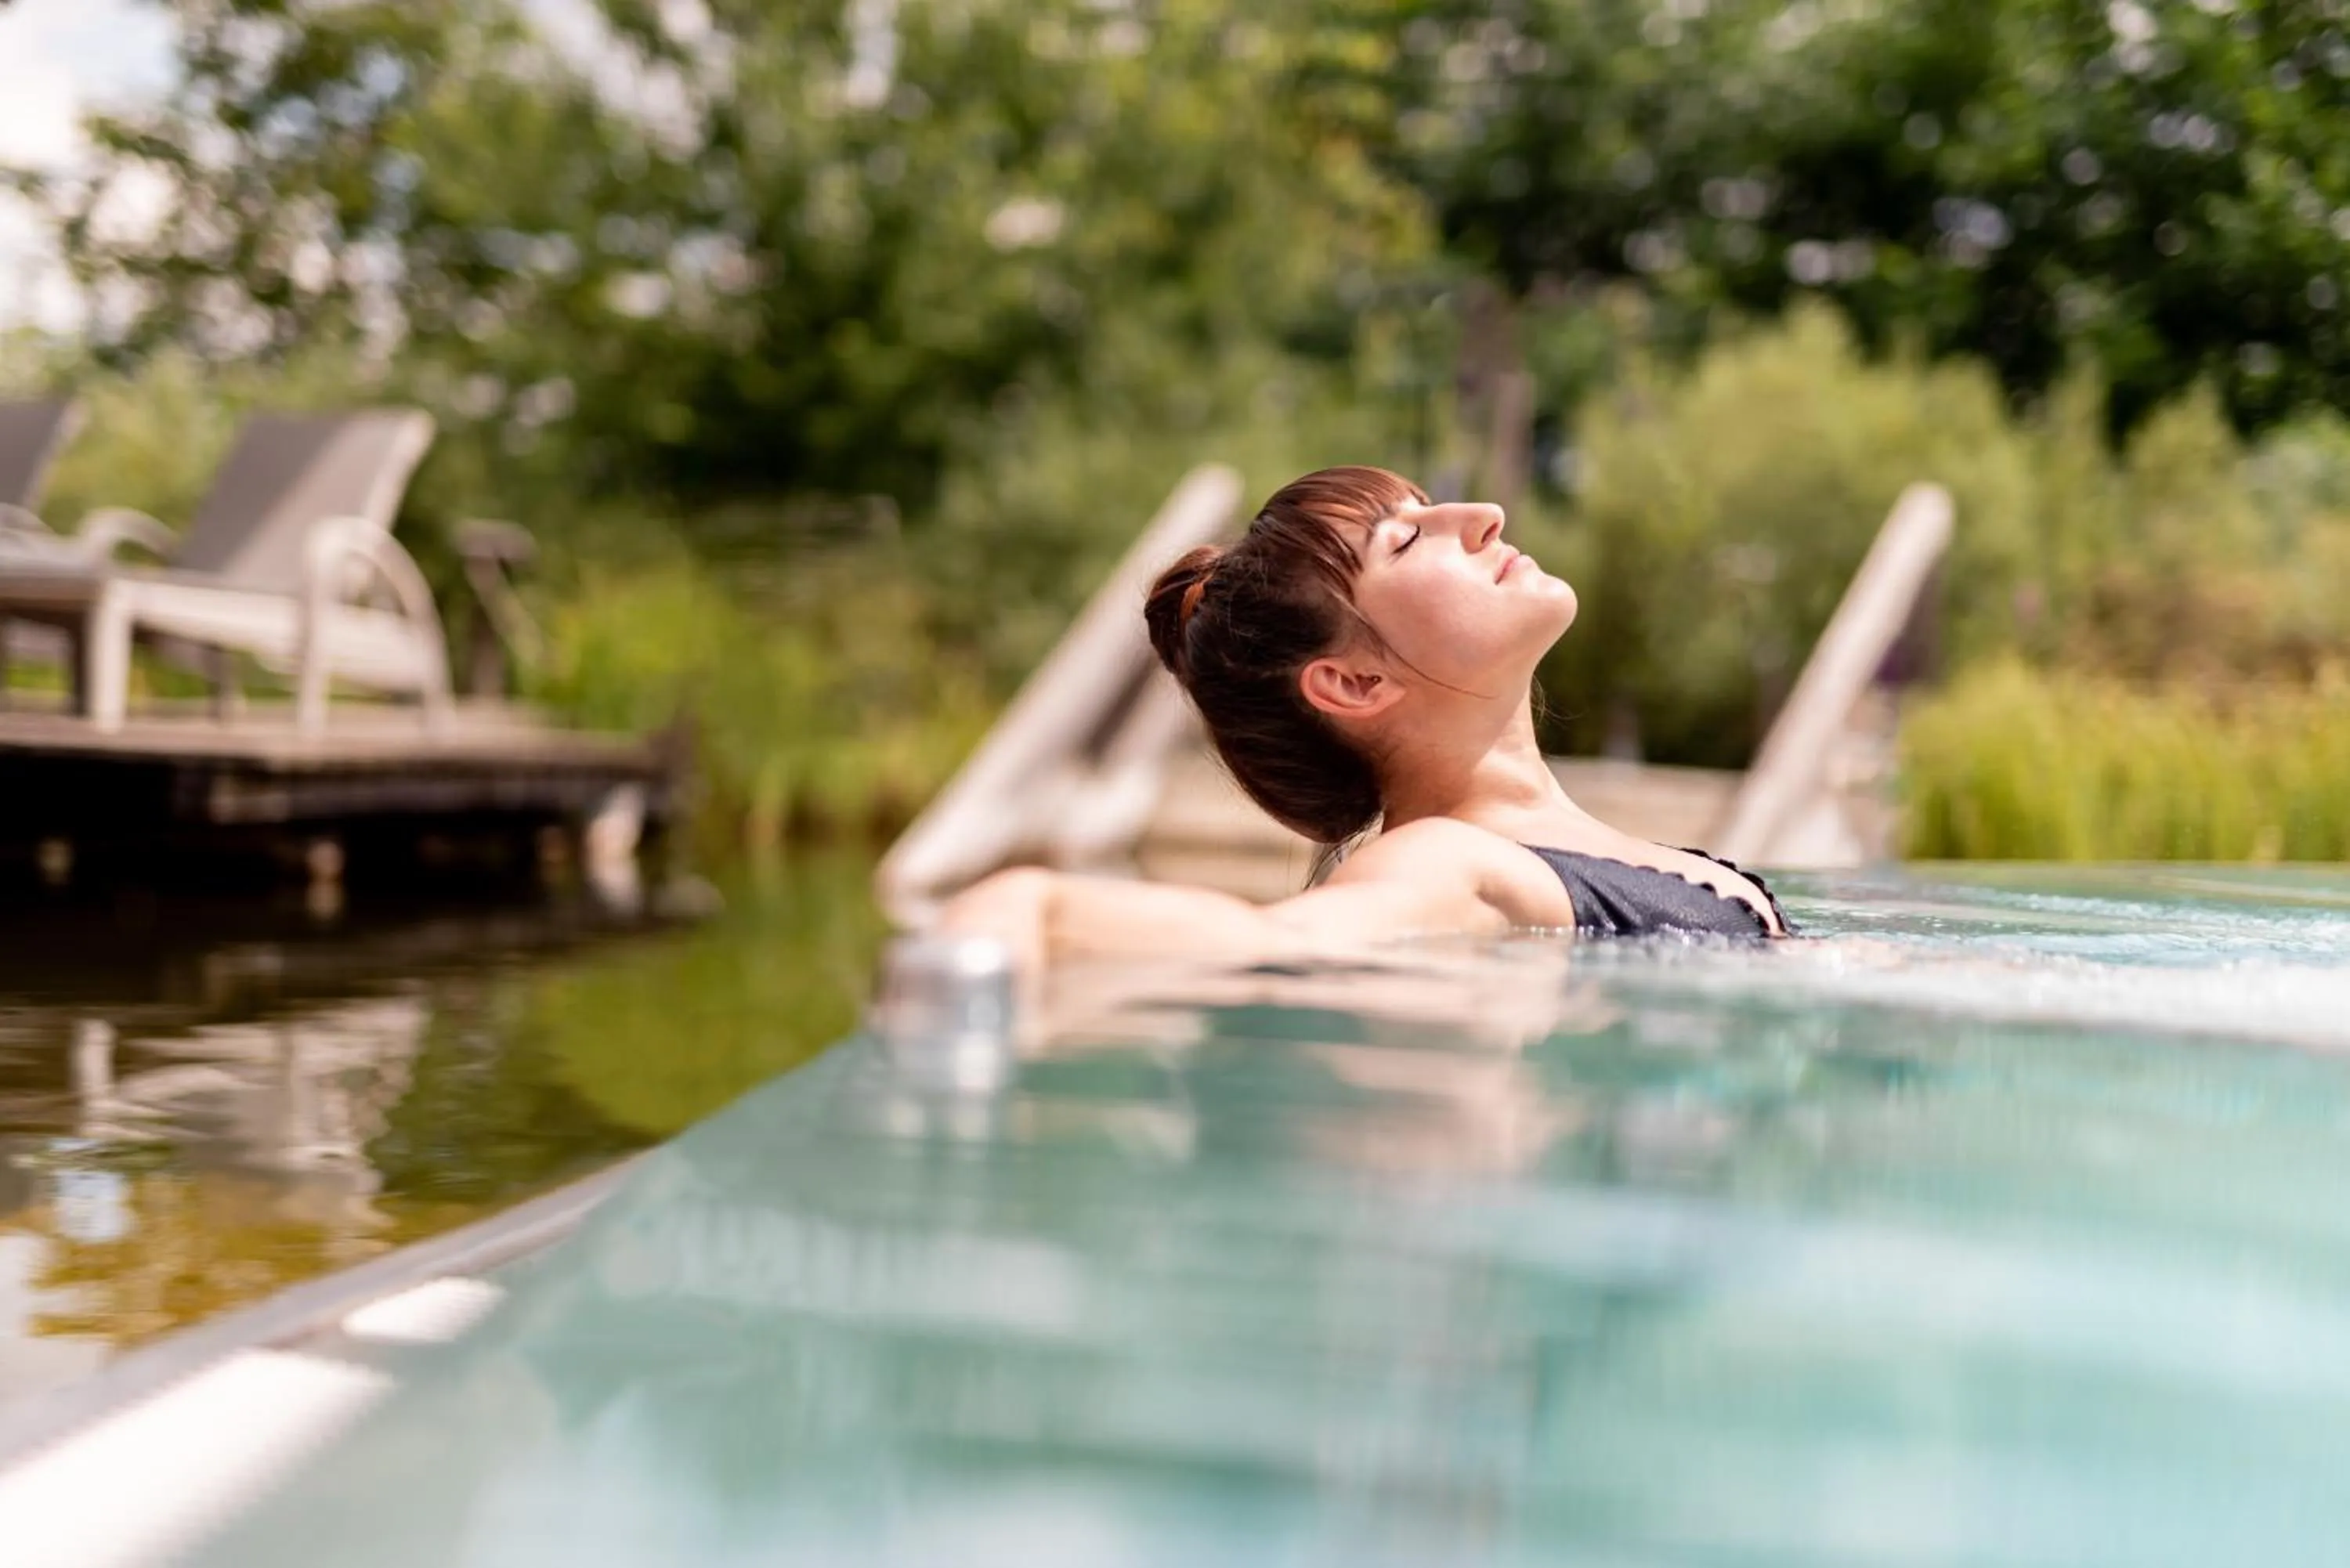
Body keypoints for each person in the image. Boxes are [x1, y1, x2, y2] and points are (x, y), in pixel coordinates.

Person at [935, 465, 1792, 968]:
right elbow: (1283, 941)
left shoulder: (1523, 854)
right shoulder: (1441, 860)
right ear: (1352, 681)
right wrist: (1035, 907)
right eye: (1410, 539)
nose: (1482, 516)